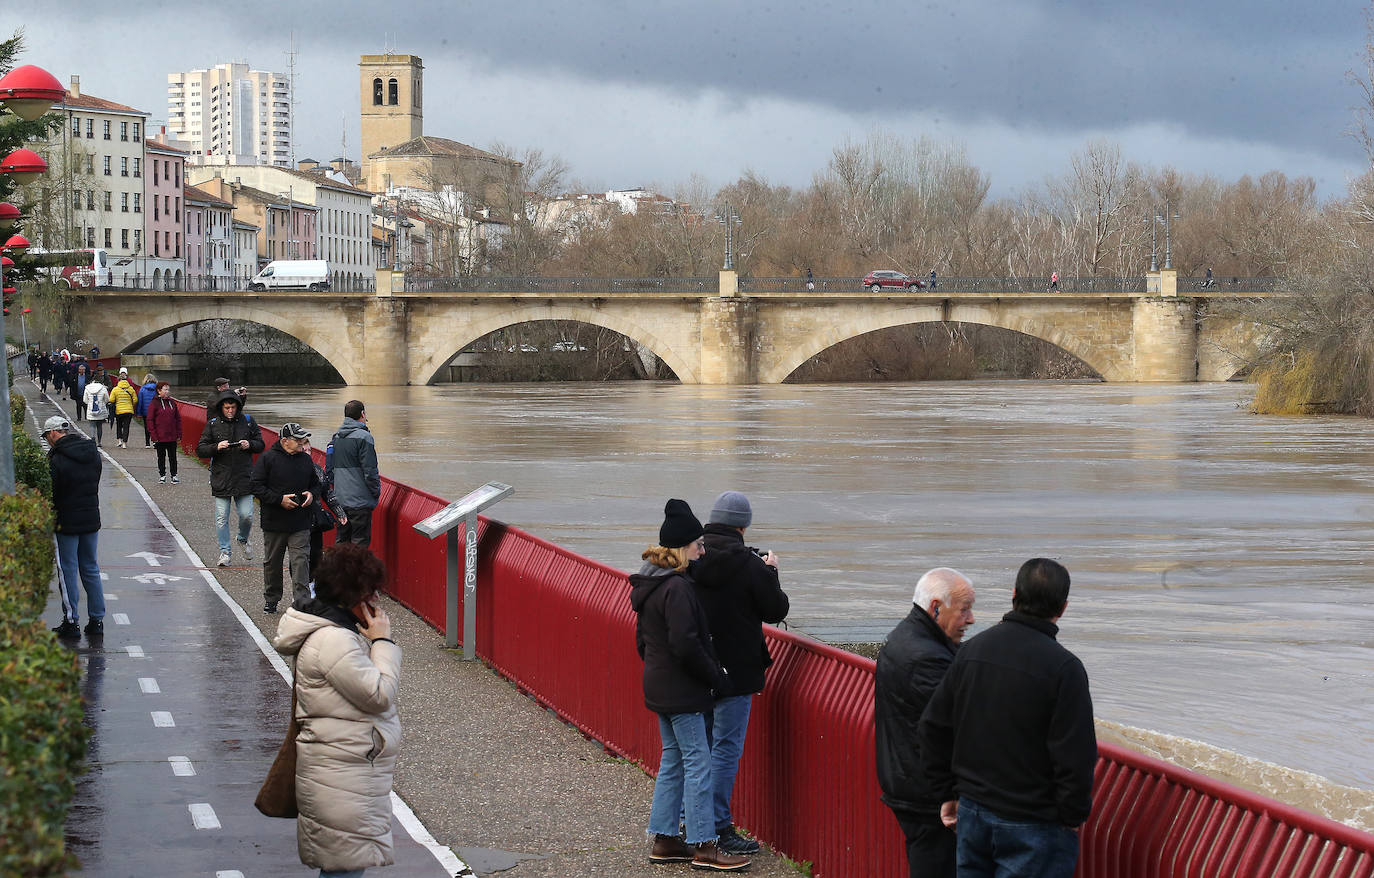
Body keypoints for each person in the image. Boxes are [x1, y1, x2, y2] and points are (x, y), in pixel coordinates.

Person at [918, 558, 1096, 878]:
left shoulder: (972, 651)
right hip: (1035, 824)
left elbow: (933, 727)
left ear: (1014, 594)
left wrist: (947, 792)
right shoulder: (1064, 669)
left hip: (973, 812)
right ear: (1064, 607)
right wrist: (1072, 815)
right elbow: (1075, 755)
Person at [628, 499, 748, 872]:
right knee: (699, 762)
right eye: (697, 544)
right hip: (683, 691)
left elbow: (643, 643)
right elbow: (686, 644)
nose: (702, 549)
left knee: (674, 760)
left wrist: (662, 669)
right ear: (683, 548)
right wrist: (715, 676)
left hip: (660, 685)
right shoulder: (678, 589)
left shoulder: (651, 583)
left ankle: (665, 840)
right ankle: (705, 845)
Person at [272, 543, 401, 877]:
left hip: (340, 770)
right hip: (340, 776)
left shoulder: (333, 631)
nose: (375, 602)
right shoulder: (334, 640)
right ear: (351, 595)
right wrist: (383, 643)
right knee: (345, 869)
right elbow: (379, 694)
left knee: (344, 868)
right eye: (371, 594)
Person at [691, 490, 790, 856]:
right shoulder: (751, 565)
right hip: (736, 672)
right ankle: (717, 826)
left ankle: (691, 820)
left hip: (695, 666)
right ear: (743, 526)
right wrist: (772, 572)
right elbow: (775, 608)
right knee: (725, 750)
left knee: (696, 749)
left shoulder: (692, 555)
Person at [875, 568, 977, 878]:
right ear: (935, 607)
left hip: (910, 781)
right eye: (964, 609)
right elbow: (958, 724)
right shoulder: (926, 659)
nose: (971, 619)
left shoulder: (906, 638)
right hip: (927, 795)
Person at [44, 416, 106, 640]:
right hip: (91, 517)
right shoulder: (92, 453)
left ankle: (71, 621)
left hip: (66, 521)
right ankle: (97, 620)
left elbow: (53, 490)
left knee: (67, 570)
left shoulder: (56, 459)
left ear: (52, 433)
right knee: (90, 567)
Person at [251, 422, 322, 614]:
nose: (302, 444)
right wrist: (278, 500)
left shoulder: (306, 460)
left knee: (301, 562)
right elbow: (256, 486)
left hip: (301, 521)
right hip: (274, 522)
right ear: (284, 441)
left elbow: (316, 485)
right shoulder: (267, 459)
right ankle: (272, 598)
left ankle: (302, 602)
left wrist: (311, 494)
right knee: (273, 563)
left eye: (302, 440)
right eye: (298, 440)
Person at [196, 390, 265, 568]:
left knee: (247, 515)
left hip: (244, 476)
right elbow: (201, 449)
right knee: (221, 518)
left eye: (233, 407)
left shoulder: (248, 421)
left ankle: (242, 538)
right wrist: (216, 447)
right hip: (222, 477)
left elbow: (261, 444)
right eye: (227, 408)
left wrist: (249, 444)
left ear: (238, 407)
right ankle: (225, 552)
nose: (230, 411)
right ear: (221, 407)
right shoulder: (212, 424)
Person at [326, 400, 381, 548]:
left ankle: (338, 571)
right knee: (359, 546)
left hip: (341, 500)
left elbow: (329, 470)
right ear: (362, 414)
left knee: (342, 543)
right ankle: (355, 572)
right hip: (360, 501)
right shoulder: (364, 437)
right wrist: (375, 493)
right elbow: (370, 471)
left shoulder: (336, 438)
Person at [301, 437, 346, 588]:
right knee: (300, 557)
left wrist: (340, 513)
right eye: (304, 450)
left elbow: (328, 494)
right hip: (296, 522)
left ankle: (312, 586)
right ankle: (300, 588)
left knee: (315, 555)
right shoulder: (289, 470)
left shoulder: (318, 471)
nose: (307, 453)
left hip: (315, 521)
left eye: (309, 450)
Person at [146, 381, 183, 484]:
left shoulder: (172, 403)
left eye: (168, 389)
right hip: (160, 436)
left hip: (172, 435)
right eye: (165, 389)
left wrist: (179, 433)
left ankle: (174, 475)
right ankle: (162, 475)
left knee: (173, 457)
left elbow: (178, 419)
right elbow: (150, 420)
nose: (167, 391)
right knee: (161, 457)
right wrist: (153, 436)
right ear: (159, 391)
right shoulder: (154, 403)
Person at [110, 367, 139, 448]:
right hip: (129, 410)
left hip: (119, 410)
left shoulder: (115, 389)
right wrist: (131, 404)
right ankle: (124, 443)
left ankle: (119, 440)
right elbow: (135, 400)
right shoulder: (131, 389)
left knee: (119, 425)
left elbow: (111, 400)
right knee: (126, 426)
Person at [82, 374, 110, 447]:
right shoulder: (103, 388)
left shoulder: (87, 388)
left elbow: (85, 400)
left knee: (92, 425)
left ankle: (92, 438)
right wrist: (102, 403)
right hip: (100, 409)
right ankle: (99, 442)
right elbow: (107, 399)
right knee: (99, 426)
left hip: (91, 409)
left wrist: (90, 403)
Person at [136, 372, 158, 448]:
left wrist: (138, 413)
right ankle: (155, 442)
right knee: (155, 426)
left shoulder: (142, 389)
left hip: (146, 411)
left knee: (147, 427)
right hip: (155, 411)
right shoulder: (157, 389)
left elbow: (140, 402)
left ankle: (147, 443)